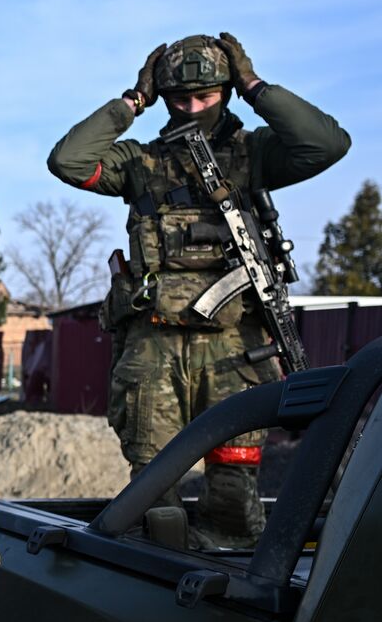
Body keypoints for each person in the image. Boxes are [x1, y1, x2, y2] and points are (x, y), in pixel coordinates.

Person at [48, 33, 350, 547]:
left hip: (235, 348)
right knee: (153, 498)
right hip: (154, 345)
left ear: (225, 91)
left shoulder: (253, 154)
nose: (193, 108)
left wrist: (255, 87)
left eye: (207, 96)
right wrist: (131, 103)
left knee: (234, 502)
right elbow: (69, 161)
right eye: (181, 99)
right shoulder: (140, 163)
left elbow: (327, 144)